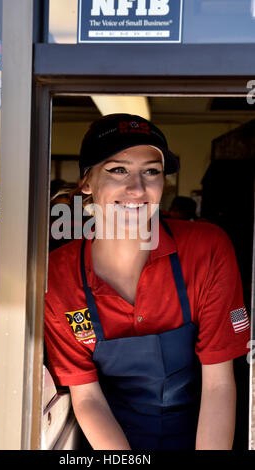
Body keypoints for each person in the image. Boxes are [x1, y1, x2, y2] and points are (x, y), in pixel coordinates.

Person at [44, 113, 250, 450]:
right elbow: (87, 397)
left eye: (151, 171)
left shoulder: (206, 248)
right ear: (86, 182)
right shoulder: (59, 275)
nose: (137, 188)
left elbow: (218, 385)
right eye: (118, 170)